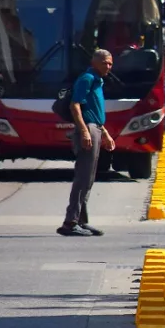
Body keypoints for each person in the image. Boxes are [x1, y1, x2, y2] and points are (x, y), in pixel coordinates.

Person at [58, 50, 116, 237]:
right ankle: (70, 222)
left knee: (89, 178)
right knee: (83, 177)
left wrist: (105, 133)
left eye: (110, 64)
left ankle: (81, 221)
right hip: (88, 129)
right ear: (95, 62)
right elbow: (75, 106)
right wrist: (84, 131)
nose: (108, 67)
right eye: (105, 63)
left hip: (96, 128)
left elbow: (94, 112)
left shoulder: (98, 80)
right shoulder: (87, 79)